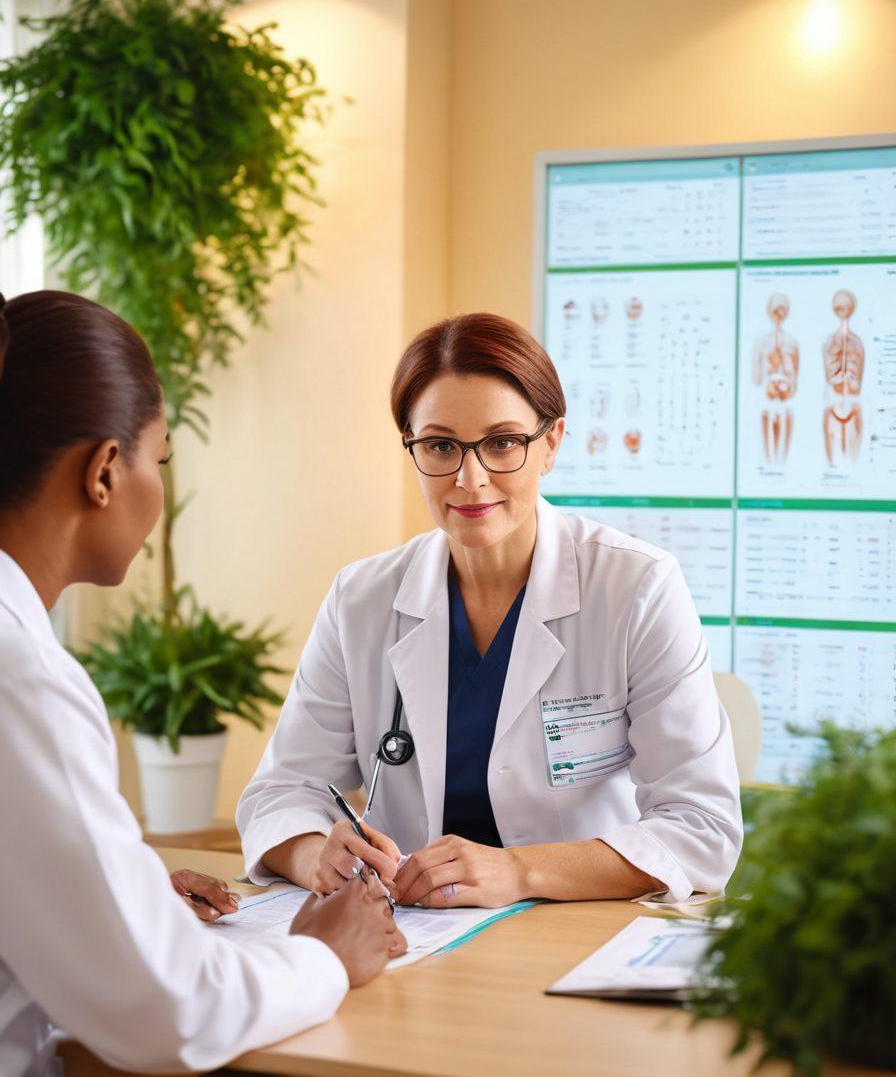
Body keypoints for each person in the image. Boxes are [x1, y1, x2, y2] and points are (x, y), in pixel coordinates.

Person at [0, 290, 406, 1077]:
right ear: (105, 473)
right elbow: (171, 1011)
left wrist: (126, 886)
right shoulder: (24, 679)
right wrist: (325, 956)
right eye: (163, 458)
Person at [238, 313, 742, 909]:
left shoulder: (637, 588)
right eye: (441, 445)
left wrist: (520, 872)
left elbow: (701, 827)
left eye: (503, 442)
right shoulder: (362, 599)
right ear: (412, 447)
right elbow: (280, 793)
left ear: (550, 443)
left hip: (579, 930)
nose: (470, 479)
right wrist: (314, 853)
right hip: (411, 935)